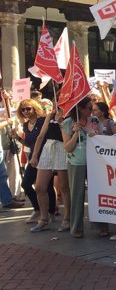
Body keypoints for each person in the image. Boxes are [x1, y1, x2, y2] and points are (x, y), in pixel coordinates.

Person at [62, 98, 107, 237]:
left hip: (94, 162)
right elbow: (68, 148)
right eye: (88, 107)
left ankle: (101, 226)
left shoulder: (94, 120)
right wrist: (75, 133)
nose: (91, 110)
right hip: (77, 163)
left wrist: (97, 135)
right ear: (80, 108)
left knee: (98, 194)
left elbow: (102, 138)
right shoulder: (67, 123)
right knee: (77, 195)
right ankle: (76, 227)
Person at [29, 107, 70, 233]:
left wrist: (61, 122)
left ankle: (68, 218)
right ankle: (44, 219)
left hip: (63, 148)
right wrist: (35, 155)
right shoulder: (50, 114)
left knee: (64, 187)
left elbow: (71, 134)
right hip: (48, 148)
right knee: (40, 187)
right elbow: (41, 135)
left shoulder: (72, 114)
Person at [15, 99, 57, 222]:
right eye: (23, 109)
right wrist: (17, 137)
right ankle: (38, 209)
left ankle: (51, 212)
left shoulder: (42, 121)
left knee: (48, 186)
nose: (26, 111)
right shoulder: (25, 125)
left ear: (35, 108)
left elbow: (42, 138)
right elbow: (29, 143)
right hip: (34, 157)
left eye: (28, 108)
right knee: (26, 184)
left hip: (46, 155)